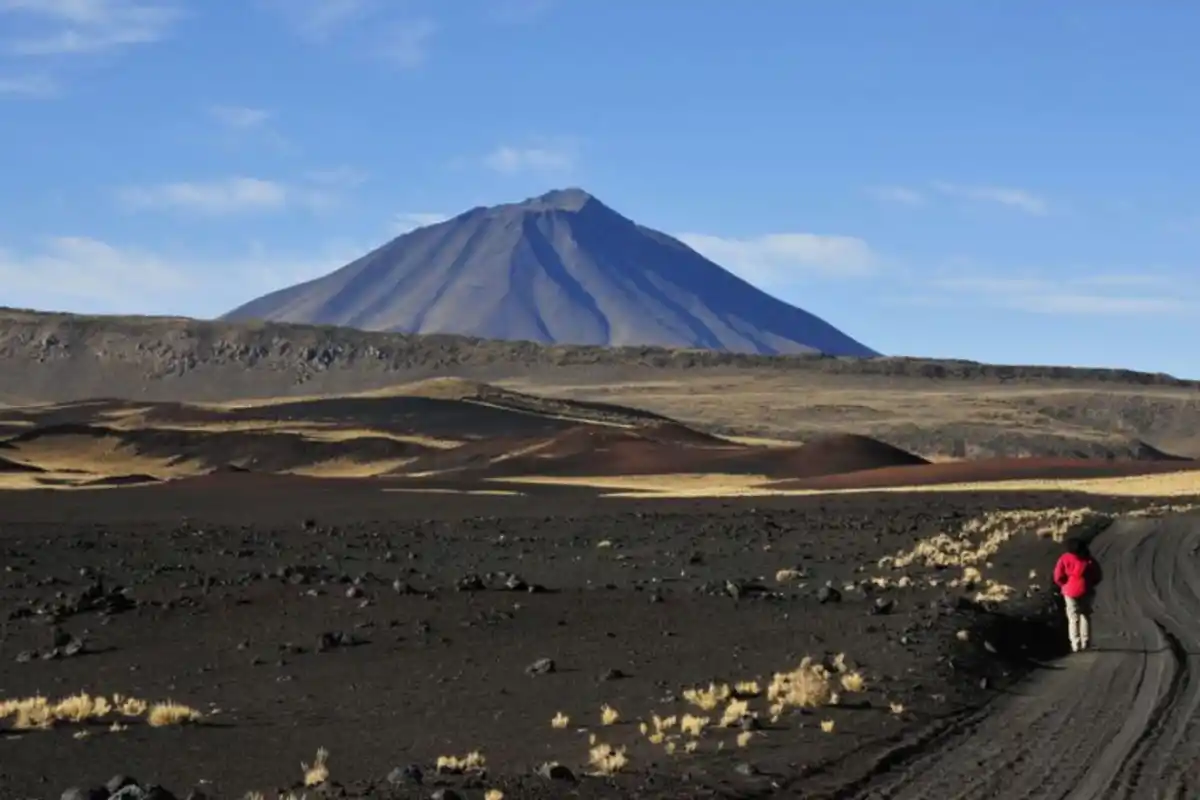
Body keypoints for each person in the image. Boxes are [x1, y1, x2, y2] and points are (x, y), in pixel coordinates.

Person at [1053, 537, 1100, 652]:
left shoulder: (1064, 559)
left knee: (1073, 617)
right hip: (1086, 590)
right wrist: (1090, 584)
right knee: (1085, 615)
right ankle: (1086, 642)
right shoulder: (1089, 560)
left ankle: (1075, 643)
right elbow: (1098, 575)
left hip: (1069, 591)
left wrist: (1064, 585)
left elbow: (1058, 576)